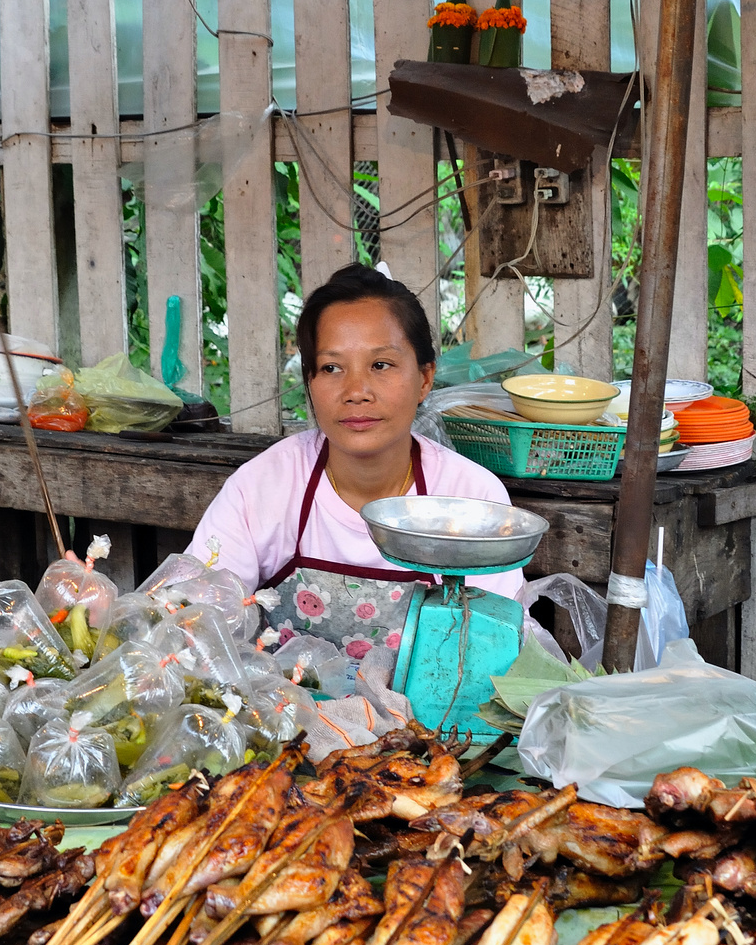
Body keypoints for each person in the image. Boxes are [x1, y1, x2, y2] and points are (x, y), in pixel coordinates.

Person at [186, 263, 524, 657]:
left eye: (381, 365)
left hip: (430, 718)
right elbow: (194, 619)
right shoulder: (264, 486)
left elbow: (497, 648)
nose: (356, 391)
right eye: (331, 368)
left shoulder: (471, 497)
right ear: (310, 382)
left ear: (425, 378)